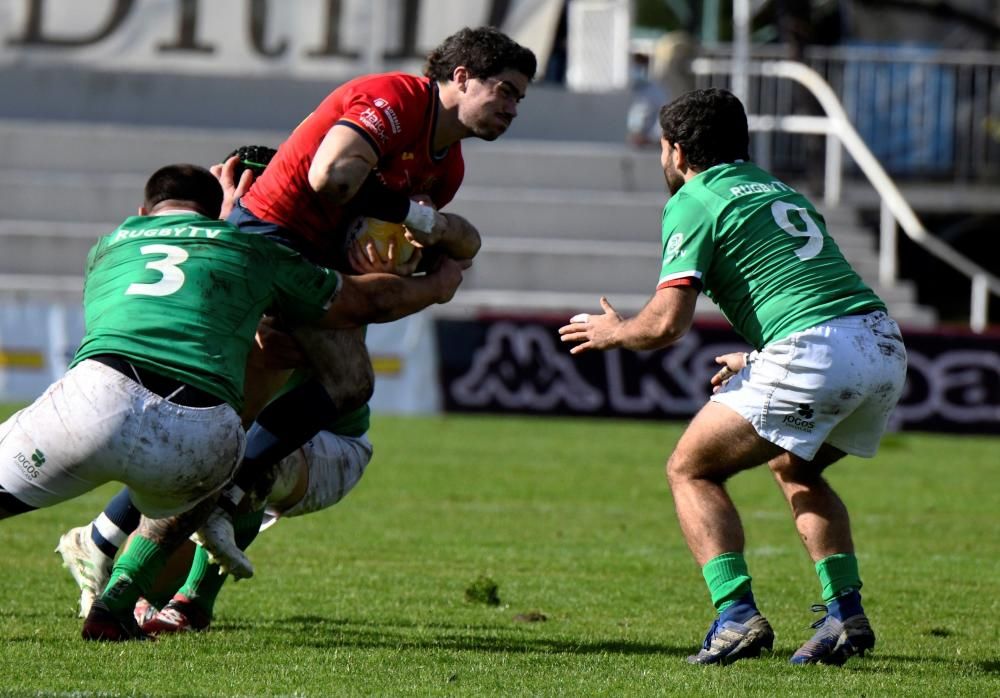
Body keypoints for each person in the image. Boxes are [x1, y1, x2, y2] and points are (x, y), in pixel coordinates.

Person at [3, 159, 466, 642]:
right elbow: (348, 304)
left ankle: (189, 601)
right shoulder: (254, 260)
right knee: (218, 450)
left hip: (329, 444)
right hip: (200, 435)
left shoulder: (116, 246)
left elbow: (358, 303)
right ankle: (117, 561)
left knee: (248, 457)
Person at [559, 88, 907, 667]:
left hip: (816, 351)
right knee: (795, 465)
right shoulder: (775, 188)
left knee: (691, 469)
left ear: (674, 151)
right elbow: (813, 292)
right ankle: (844, 613)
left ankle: (735, 616)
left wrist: (615, 331)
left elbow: (667, 324)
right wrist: (757, 359)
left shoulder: (695, 198)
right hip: (881, 342)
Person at [196, 25, 537, 578]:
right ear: (460, 78)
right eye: (505, 90)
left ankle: (147, 544)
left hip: (313, 262)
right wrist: (426, 225)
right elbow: (331, 176)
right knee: (290, 396)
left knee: (280, 402)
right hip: (271, 239)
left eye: (520, 98)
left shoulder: (448, 167)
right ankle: (171, 529)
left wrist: (425, 250)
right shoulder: (399, 98)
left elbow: (386, 241)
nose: (513, 107)